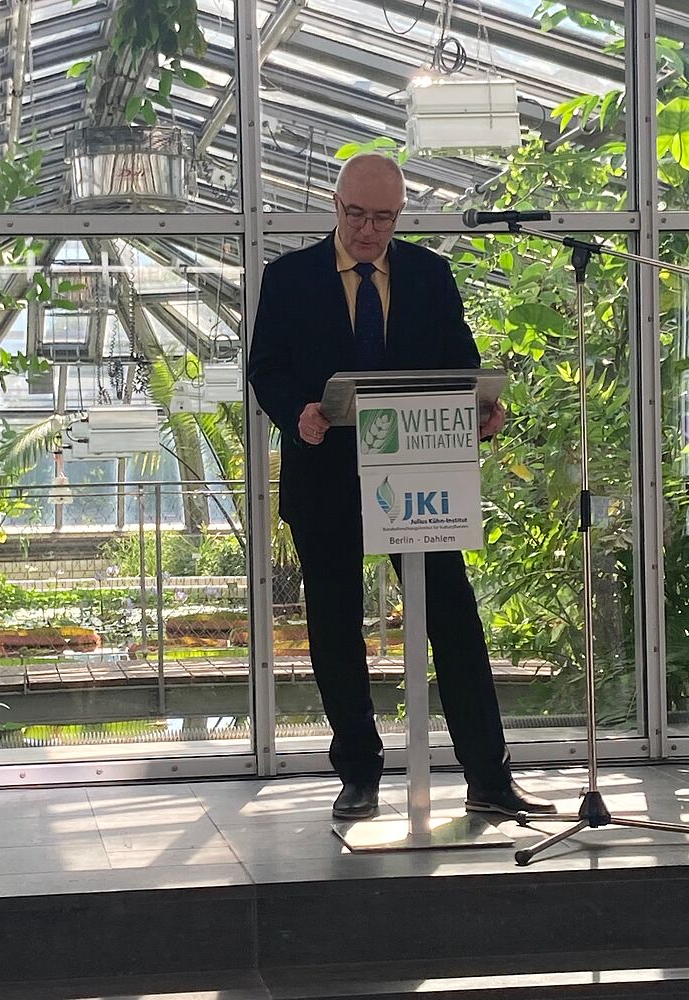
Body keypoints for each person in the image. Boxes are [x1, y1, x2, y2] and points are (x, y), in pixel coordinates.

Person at [248, 153, 556, 821]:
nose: (368, 230)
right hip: (324, 476)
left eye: (383, 218)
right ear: (336, 206)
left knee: (454, 619)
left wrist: (482, 409)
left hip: (420, 478)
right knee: (336, 629)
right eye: (357, 215)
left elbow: (460, 361)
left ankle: (489, 776)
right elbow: (264, 367)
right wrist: (298, 411)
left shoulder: (429, 274)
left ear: (400, 215)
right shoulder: (289, 277)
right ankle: (358, 775)